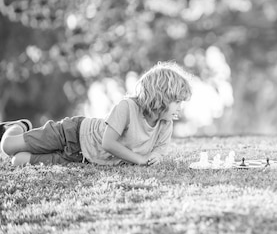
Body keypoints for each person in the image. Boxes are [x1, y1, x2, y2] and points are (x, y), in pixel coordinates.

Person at [1, 61, 192, 167]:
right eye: (177, 101)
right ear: (161, 97)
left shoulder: (165, 123)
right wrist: (140, 160)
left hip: (81, 158)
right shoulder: (127, 107)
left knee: (18, 161)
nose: (180, 107)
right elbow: (108, 144)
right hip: (72, 134)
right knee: (8, 147)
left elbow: (159, 147)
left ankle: (25, 140)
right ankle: (17, 126)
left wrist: (156, 156)